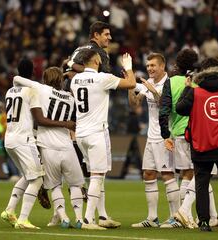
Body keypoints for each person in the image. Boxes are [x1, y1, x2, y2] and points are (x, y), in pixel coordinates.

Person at [0, 58, 75, 230]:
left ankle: (10, 210)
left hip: (9, 138)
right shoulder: (32, 91)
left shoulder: (10, 91)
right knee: (38, 179)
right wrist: (65, 123)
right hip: (24, 140)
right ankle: (23, 219)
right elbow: (39, 118)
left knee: (28, 176)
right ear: (33, 72)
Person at [70, 49, 136, 229]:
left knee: (95, 176)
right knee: (98, 177)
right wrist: (128, 67)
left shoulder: (75, 79)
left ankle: (102, 216)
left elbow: (73, 74)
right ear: (96, 61)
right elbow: (131, 83)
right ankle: (87, 219)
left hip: (81, 133)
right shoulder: (102, 78)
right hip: (96, 133)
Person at [13, 67, 86, 229]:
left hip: (47, 147)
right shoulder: (70, 97)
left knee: (55, 186)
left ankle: (64, 217)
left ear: (45, 79)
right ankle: (80, 219)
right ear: (61, 80)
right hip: (67, 146)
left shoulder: (41, 89)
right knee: (75, 185)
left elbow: (18, 79)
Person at [176, 66, 218, 232]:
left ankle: (204, 222)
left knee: (202, 184)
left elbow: (180, 109)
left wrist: (187, 87)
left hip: (201, 145)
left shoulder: (195, 93)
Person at [128, 53, 181, 228]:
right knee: (148, 174)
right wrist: (130, 86)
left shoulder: (169, 84)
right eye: (148, 65)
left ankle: (176, 217)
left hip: (166, 136)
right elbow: (135, 104)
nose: (150, 68)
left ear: (162, 66)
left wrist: (152, 90)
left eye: (153, 65)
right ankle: (152, 218)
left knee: (167, 175)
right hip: (151, 137)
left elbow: (167, 106)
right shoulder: (148, 84)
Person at [174, 57, 218, 229]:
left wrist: (189, 88)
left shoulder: (196, 89)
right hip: (213, 139)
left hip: (197, 136)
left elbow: (181, 109)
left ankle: (212, 216)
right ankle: (184, 208)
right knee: (203, 175)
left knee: (203, 175)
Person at [159, 49, 198, 207]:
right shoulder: (198, 82)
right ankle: (184, 211)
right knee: (195, 173)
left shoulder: (171, 81)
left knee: (186, 173)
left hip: (179, 134)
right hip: (197, 133)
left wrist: (165, 134)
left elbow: (164, 109)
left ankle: (185, 212)